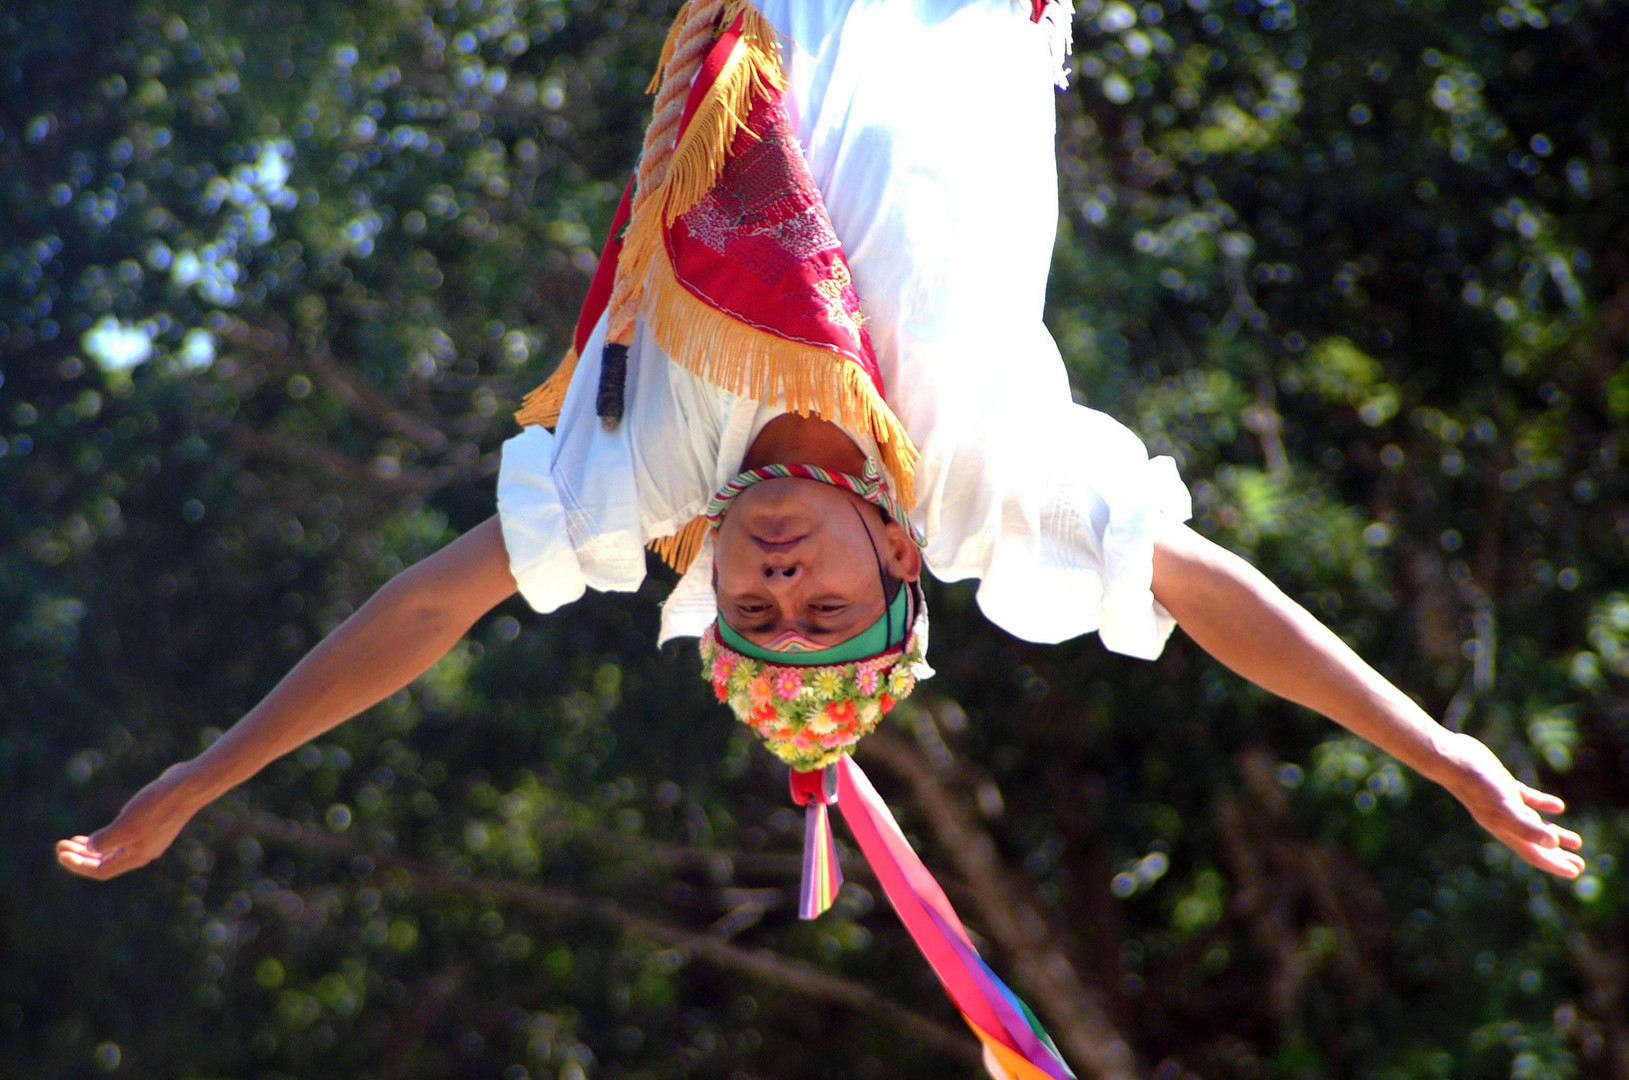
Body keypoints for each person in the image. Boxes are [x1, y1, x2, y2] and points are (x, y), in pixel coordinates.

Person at [59, 0, 1583, 891]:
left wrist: (211, 771)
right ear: (904, 567)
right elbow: (1208, 596)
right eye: (825, 615)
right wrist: (1437, 754)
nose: (777, 583)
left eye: (756, 617)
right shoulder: (987, 491)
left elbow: (423, 613)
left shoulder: (642, 487)